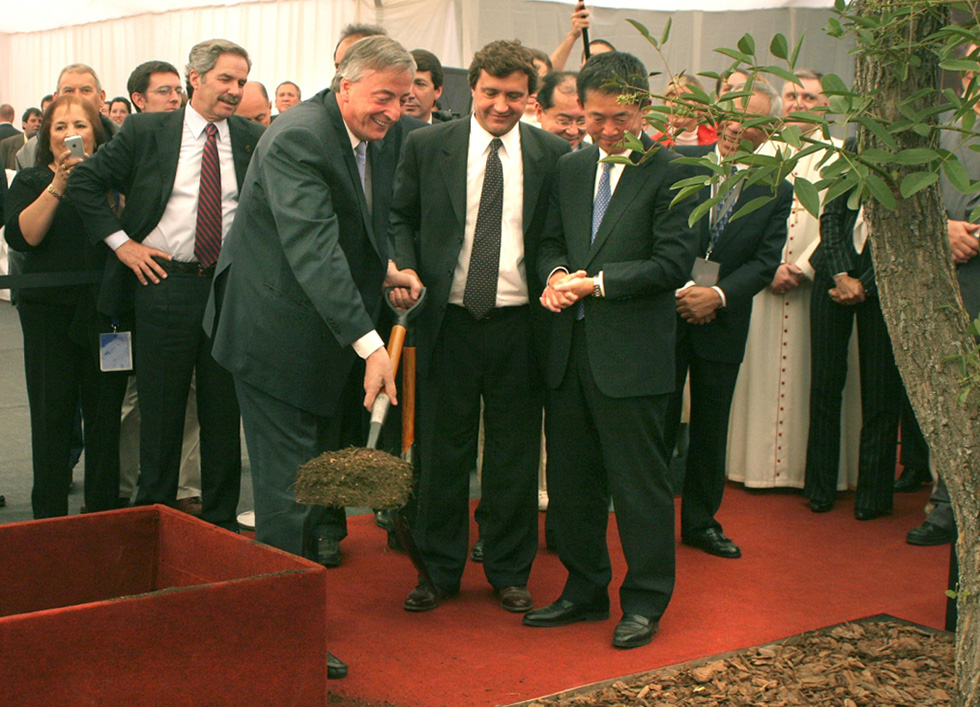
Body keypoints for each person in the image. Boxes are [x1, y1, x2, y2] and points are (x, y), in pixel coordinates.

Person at [209, 35, 420, 681]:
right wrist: (372, 344)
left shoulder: (364, 135)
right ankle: (277, 641)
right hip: (273, 339)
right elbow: (313, 248)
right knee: (286, 497)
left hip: (313, 338)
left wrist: (385, 271)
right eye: (383, 97)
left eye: (403, 99)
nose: (394, 111)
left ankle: (281, 616)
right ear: (346, 83)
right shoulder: (299, 136)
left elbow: (352, 223)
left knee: (302, 488)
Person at [522, 51, 697, 649]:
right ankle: (584, 588)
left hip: (634, 361)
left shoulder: (673, 171)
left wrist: (595, 284)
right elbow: (547, 242)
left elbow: (672, 264)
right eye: (594, 117)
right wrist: (554, 276)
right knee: (573, 485)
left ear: (643, 109)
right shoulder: (571, 170)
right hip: (569, 355)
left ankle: (646, 601)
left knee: (640, 487)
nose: (605, 130)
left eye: (619, 117)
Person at [388, 39, 569, 614]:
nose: (501, 105)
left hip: (521, 325)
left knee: (514, 453)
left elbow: (553, 236)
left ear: (530, 96)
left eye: (514, 95)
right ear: (473, 88)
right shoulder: (427, 145)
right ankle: (437, 572)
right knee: (441, 452)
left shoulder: (551, 153)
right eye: (491, 92)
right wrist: (406, 263)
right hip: (449, 322)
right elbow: (400, 215)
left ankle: (509, 570)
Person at [67, 39, 265, 531]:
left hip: (226, 289)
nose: (235, 91)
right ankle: (151, 521)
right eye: (225, 79)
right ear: (194, 78)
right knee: (160, 411)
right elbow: (85, 183)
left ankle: (219, 523)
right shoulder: (146, 129)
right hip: (163, 285)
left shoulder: (250, 137)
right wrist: (122, 244)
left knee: (223, 413)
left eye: (241, 81)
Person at [665, 80, 792, 559]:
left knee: (712, 426)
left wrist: (716, 295)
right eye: (732, 116)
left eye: (752, 120)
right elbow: (662, 234)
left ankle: (700, 523)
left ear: (772, 128)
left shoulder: (777, 186)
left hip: (724, 318)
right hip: (670, 312)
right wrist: (685, 292)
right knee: (658, 420)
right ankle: (650, 518)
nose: (737, 128)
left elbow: (765, 261)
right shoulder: (681, 163)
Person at [727, 69, 861, 491]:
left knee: (815, 379)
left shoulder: (841, 154)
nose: (800, 104)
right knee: (758, 377)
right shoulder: (763, 151)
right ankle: (755, 469)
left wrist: (804, 267)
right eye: (792, 96)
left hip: (817, 284)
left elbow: (838, 221)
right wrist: (766, 267)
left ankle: (813, 473)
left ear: (827, 105)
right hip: (761, 285)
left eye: (811, 97)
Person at [4, 94, 128, 518]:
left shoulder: (119, 181)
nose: (70, 133)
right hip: (47, 315)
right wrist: (58, 184)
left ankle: (103, 511)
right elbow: (24, 238)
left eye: (80, 124)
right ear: (46, 135)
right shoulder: (30, 180)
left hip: (107, 313)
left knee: (105, 417)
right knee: (51, 414)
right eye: (59, 126)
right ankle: (50, 515)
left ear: (97, 132)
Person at [804, 146, 903, 520]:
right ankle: (820, 486)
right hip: (833, 271)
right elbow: (829, 218)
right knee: (826, 385)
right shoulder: (853, 150)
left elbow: (910, 231)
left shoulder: (913, 159)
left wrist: (868, 284)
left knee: (881, 390)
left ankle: (874, 496)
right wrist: (842, 274)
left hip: (886, 280)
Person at [17, 64, 116, 171]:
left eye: (85, 90)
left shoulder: (123, 140)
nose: (77, 97)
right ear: (55, 99)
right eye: (68, 91)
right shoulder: (29, 151)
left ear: (101, 98)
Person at [648, 73, 717, 147]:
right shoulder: (652, 145)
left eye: (685, 98)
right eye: (671, 97)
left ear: (700, 105)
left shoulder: (717, 142)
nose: (676, 103)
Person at [535, 71, 586, 149]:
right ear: (540, 112)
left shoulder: (597, 158)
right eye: (564, 121)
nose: (573, 131)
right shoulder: (520, 154)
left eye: (581, 122)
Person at [406, 49, 445, 123]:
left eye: (420, 84)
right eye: (406, 83)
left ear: (438, 91)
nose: (410, 94)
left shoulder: (449, 133)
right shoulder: (382, 131)